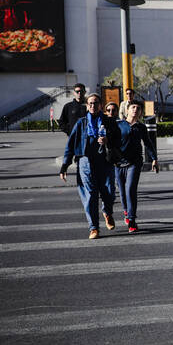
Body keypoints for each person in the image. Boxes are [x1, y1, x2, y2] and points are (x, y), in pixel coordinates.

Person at [59, 93, 119, 238]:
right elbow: (71, 144)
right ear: (87, 105)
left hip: (105, 161)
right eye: (90, 103)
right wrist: (65, 165)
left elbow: (118, 139)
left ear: (100, 105)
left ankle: (107, 212)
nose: (93, 106)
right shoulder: (81, 123)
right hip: (86, 161)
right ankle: (94, 227)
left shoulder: (109, 121)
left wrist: (107, 140)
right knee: (90, 195)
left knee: (109, 193)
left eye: (96, 103)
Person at [113, 101, 158, 232]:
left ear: (141, 112)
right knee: (122, 191)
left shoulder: (141, 127)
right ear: (127, 110)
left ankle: (132, 220)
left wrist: (154, 159)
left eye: (138, 108)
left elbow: (148, 144)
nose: (135, 110)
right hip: (118, 163)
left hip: (134, 163)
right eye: (133, 107)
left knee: (130, 189)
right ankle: (126, 211)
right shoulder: (118, 125)